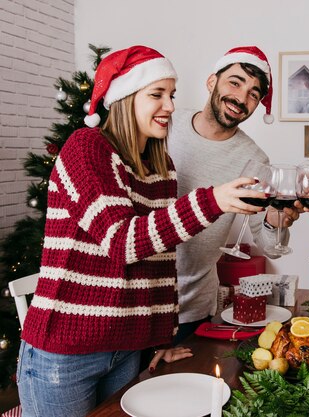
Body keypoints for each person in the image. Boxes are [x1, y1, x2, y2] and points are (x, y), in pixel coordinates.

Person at [16, 46, 267, 417]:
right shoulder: (86, 149)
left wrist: (157, 339)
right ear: (124, 97)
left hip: (127, 350)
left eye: (172, 95)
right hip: (65, 353)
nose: (169, 106)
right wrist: (212, 200)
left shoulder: (159, 165)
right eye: (157, 95)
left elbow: (158, 261)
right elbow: (123, 243)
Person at [168, 46, 299, 344]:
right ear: (212, 81)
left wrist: (275, 222)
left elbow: (270, 247)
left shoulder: (254, 159)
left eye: (254, 94)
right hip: (140, 304)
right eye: (235, 82)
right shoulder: (168, 126)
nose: (241, 98)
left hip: (193, 308)